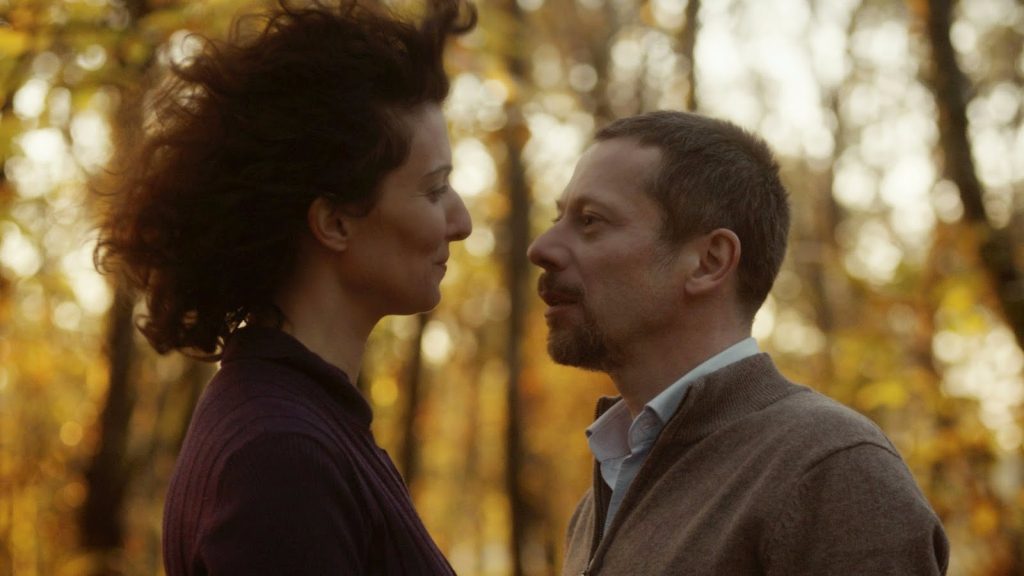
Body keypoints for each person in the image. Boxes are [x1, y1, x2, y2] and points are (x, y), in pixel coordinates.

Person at [94, 0, 475, 573]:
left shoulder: (305, 426)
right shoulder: (282, 456)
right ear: (335, 222)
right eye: (434, 190)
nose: (462, 221)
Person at [527, 111, 949, 575]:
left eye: (590, 221)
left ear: (709, 261)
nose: (541, 248)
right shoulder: (598, 503)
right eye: (558, 217)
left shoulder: (832, 472)